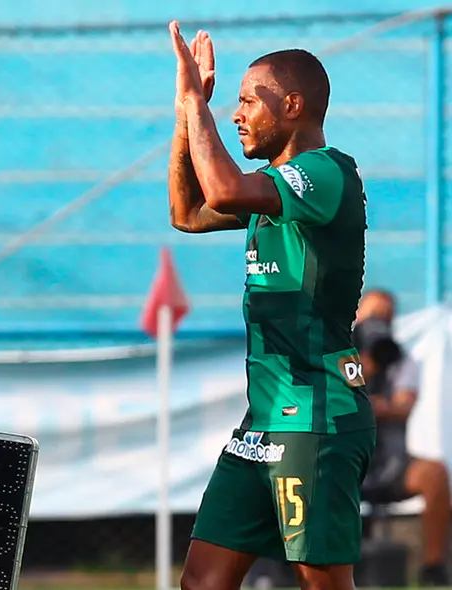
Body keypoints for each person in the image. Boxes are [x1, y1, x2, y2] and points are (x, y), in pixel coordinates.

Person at [166, 21, 374, 590]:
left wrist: (193, 100)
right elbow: (187, 211)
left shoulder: (325, 172)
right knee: (202, 582)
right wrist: (190, 113)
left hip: (317, 418)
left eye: (247, 101)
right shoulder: (271, 189)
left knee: (322, 583)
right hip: (262, 423)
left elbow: (224, 190)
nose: (235, 114)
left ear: (293, 105)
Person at [355, 294, 450, 586]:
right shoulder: (334, 354)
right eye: (373, 314)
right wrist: (364, 365)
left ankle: (432, 566)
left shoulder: (401, 361)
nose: (378, 322)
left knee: (434, 474)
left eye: (385, 315)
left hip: (390, 463)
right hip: (345, 464)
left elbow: (403, 405)